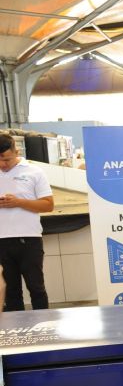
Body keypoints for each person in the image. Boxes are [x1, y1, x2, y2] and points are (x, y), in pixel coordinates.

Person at [0, 133, 54, 312]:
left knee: (36, 288)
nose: (3, 164)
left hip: (29, 240)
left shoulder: (34, 171)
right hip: (2, 241)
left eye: (6, 159)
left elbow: (48, 205)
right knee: (10, 292)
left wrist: (18, 202)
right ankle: (16, 336)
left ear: (16, 151)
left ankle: (44, 329)